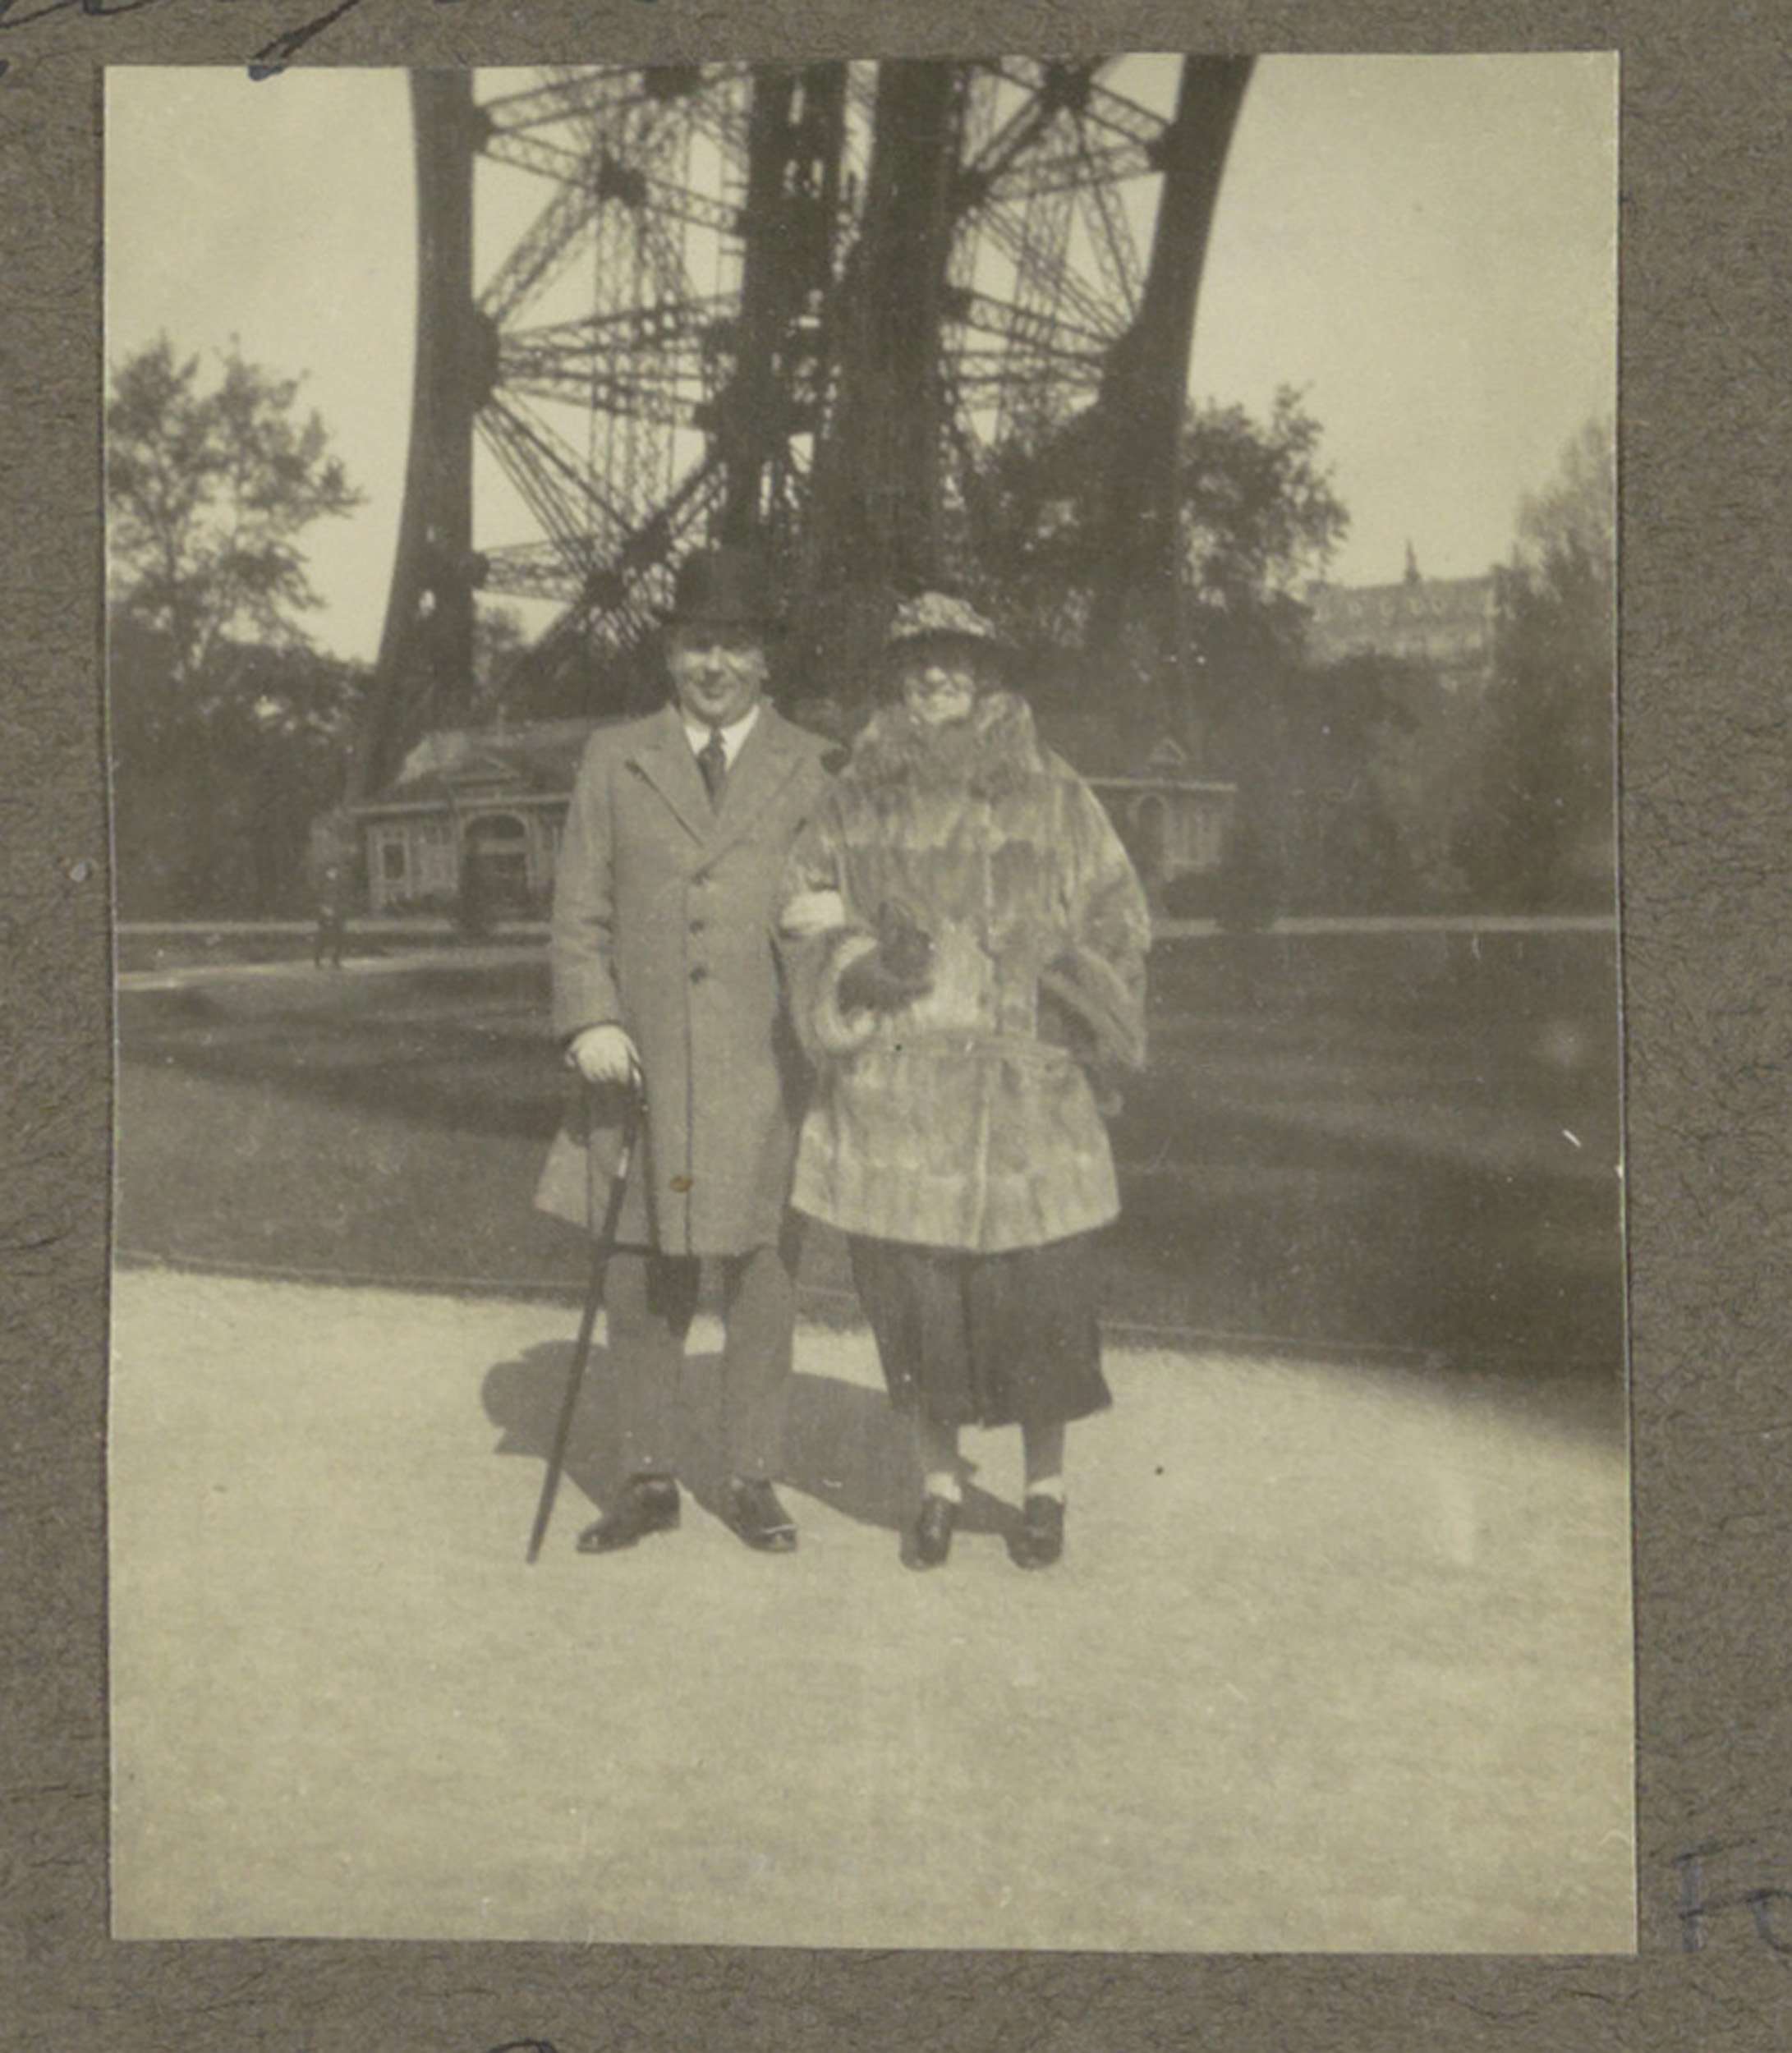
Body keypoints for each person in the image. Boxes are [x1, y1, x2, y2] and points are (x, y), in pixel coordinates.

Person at [779, 591, 1151, 1570]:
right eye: (918, 659)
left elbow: (1117, 911)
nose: (936, 674)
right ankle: (937, 1487)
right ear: (897, 676)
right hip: (899, 1100)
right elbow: (803, 912)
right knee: (919, 1308)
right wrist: (859, 965)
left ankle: (1044, 1492)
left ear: (984, 672)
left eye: (954, 657)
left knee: (1044, 1304)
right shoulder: (851, 796)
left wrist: (1077, 994)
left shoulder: (1053, 788)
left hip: (1029, 1093)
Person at [535, 546, 838, 1555]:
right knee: (640, 1272)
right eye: (698, 644)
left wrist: (838, 935)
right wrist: (590, 1018)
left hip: (766, 1063)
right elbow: (578, 910)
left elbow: (848, 906)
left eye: (735, 646)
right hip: (643, 1060)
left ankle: (752, 1476)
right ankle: (647, 1475)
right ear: (670, 655)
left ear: (765, 660)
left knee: (762, 1272)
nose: (716, 665)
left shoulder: (816, 764)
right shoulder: (614, 757)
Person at [313, 865, 347, 971]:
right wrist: (325, 910)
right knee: (324, 937)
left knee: (340, 936)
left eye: (335, 871)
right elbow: (319, 900)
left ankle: (336, 960)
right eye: (331, 871)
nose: (333, 873)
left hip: (338, 913)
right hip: (326, 914)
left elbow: (342, 898)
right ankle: (317, 960)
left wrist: (341, 911)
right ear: (326, 873)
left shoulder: (339, 884)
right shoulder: (323, 885)